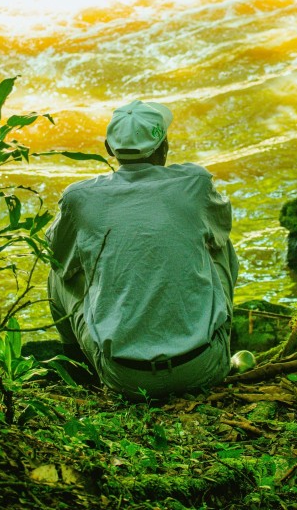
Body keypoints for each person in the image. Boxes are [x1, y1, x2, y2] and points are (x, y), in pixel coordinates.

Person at [46, 99, 239, 399]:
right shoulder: (195, 185)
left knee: (56, 274)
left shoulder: (79, 198)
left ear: (109, 149)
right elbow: (220, 230)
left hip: (124, 378)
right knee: (221, 244)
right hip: (202, 367)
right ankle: (214, 336)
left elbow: (60, 260)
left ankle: (77, 367)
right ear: (164, 147)